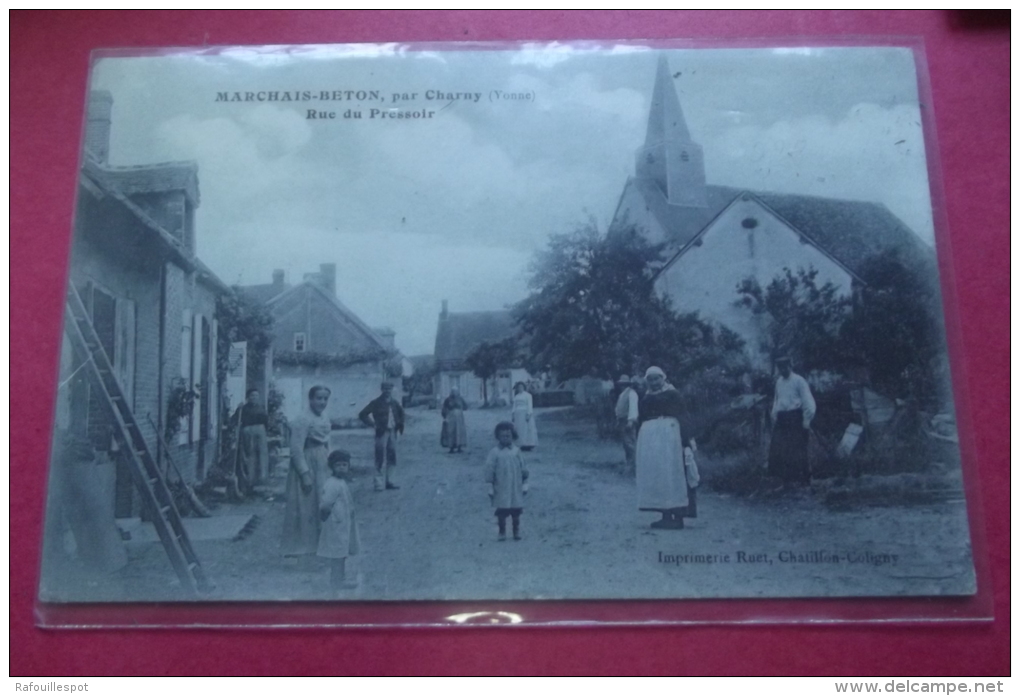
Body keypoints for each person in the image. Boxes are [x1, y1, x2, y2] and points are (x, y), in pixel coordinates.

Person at [636, 366, 698, 530]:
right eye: (651, 379)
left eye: (657, 379)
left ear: (663, 378)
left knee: (673, 473)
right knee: (658, 474)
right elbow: (641, 419)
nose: (654, 382)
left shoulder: (673, 394)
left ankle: (678, 517)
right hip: (652, 441)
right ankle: (665, 515)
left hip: (670, 437)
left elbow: (683, 416)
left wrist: (687, 440)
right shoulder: (646, 398)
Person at [281, 385, 332, 556]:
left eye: (325, 398)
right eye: (319, 398)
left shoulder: (324, 416)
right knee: (306, 506)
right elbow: (295, 449)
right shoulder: (302, 419)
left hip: (322, 463)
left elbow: (326, 442)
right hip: (307, 463)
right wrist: (304, 474)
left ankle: (321, 546)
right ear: (310, 399)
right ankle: (303, 549)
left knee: (322, 503)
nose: (322, 402)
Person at [318, 449, 361, 595]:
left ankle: (340, 579)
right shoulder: (332, 484)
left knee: (341, 552)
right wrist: (325, 516)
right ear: (332, 467)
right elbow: (325, 504)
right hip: (335, 523)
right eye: (338, 465)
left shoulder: (340, 482)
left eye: (344, 465)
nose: (342, 468)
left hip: (341, 523)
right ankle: (336, 581)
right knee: (337, 554)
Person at [768, 357, 817, 484]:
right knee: (780, 449)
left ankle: (805, 481)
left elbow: (808, 402)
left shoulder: (799, 381)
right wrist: (775, 415)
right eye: (780, 368)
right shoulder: (779, 382)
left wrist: (806, 421)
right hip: (782, 419)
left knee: (798, 449)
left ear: (791, 366)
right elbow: (777, 400)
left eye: (785, 367)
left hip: (795, 418)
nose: (783, 370)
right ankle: (787, 482)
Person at [484, 421, 529, 541]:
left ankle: (516, 531)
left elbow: (523, 467)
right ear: (498, 437)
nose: (505, 438)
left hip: (515, 487)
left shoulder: (517, 451)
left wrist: (525, 483)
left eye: (508, 436)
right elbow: (489, 469)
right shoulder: (494, 453)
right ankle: (502, 531)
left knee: (516, 511)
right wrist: (490, 485)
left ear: (512, 436)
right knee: (502, 511)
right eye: (502, 436)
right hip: (501, 487)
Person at [359, 381, 404, 491]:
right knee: (379, 457)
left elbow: (401, 414)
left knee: (392, 457)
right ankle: (378, 484)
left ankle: (390, 481)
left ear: (392, 390)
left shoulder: (395, 403)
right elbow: (362, 414)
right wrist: (373, 425)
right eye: (385, 389)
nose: (387, 391)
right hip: (381, 433)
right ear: (382, 390)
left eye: (389, 389)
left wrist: (399, 424)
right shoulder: (376, 403)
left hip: (392, 432)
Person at [234, 388, 269, 491]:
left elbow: (266, 422)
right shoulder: (243, 409)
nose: (254, 398)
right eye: (252, 396)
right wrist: (238, 409)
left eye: (256, 396)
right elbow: (235, 420)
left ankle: (260, 479)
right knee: (249, 456)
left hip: (260, 432)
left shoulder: (261, 408)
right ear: (248, 398)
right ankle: (249, 480)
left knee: (261, 455)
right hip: (247, 433)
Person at [614, 375, 639, 470]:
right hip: (622, 420)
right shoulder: (622, 394)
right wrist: (618, 420)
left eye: (624, 384)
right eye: (621, 384)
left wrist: (631, 421)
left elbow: (633, 408)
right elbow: (619, 408)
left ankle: (633, 464)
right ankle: (629, 462)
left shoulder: (631, 393)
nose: (622, 386)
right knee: (625, 443)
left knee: (630, 443)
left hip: (628, 421)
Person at [510, 382, 538, 451]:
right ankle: (520, 444)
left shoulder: (528, 395)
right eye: (519, 387)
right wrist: (513, 414)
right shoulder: (516, 396)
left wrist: (528, 414)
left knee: (526, 429)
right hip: (518, 414)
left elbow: (529, 405)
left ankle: (528, 444)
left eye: (521, 387)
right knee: (519, 429)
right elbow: (514, 406)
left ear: (524, 388)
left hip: (525, 413)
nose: (520, 388)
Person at [441, 387, 468, 454]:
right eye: (453, 391)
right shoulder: (447, 399)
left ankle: (459, 447)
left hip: (459, 418)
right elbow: (444, 409)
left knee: (459, 432)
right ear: (451, 392)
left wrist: (460, 407)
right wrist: (444, 416)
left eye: (456, 391)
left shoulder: (460, 399)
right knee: (451, 432)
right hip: (451, 418)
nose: (454, 393)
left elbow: (466, 407)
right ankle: (451, 448)